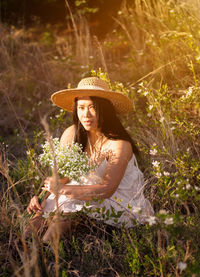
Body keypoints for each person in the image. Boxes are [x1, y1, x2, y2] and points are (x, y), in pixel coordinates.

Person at [26, 77, 154, 243]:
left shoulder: (119, 144)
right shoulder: (71, 134)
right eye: (81, 107)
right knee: (33, 226)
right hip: (77, 190)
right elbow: (61, 177)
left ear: (105, 110)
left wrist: (62, 189)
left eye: (93, 107)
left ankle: (47, 258)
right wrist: (42, 197)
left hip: (115, 199)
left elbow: (106, 190)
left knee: (60, 221)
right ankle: (21, 258)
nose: (85, 114)